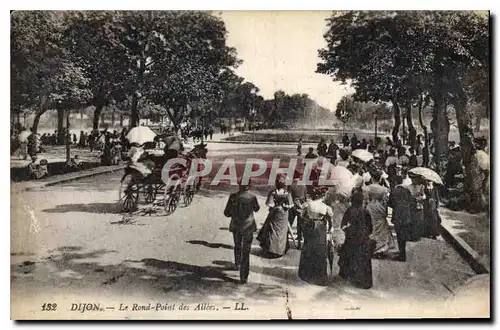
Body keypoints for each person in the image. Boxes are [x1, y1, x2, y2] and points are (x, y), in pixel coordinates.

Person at [223, 179, 260, 284]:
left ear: (239, 185)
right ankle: (244, 277)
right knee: (246, 250)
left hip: (236, 226)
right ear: (249, 186)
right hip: (248, 226)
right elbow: (257, 209)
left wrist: (234, 213)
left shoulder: (233, 197)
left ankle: (237, 263)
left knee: (237, 244)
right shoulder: (252, 197)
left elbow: (226, 213)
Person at [338, 188, 374, 289]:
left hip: (352, 235)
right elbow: (370, 227)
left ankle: (347, 273)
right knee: (363, 258)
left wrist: (347, 231)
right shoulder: (365, 212)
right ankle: (363, 280)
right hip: (363, 236)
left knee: (348, 254)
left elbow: (343, 224)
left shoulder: (349, 211)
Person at [298, 192, 334, 286]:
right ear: (323, 196)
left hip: (309, 226)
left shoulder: (307, 204)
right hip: (320, 228)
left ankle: (306, 274)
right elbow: (330, 220)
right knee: (320, 250)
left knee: (308, 248)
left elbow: (302, 215)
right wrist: (330, 230)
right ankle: (318, 275)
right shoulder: (325, 207)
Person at [257, 174, 293, 257]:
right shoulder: (287, 193)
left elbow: (269, 204)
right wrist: (285, 206)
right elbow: (291, 205)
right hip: (283, 214)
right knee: (282, 232)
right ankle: (280, 250)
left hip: (275, 212)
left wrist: (276, 205)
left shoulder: (273, 192)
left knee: (272, 230)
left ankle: (271, 249)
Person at [365, 172, 391, 258]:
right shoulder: (383, 189)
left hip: (371, 206)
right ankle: (380, 248)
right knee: (381, 228)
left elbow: (365, 199)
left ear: (372, 179)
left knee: (371, 227)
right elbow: (385, 201)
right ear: (380, 179)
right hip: (379, 207)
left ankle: (370, 247)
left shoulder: (367, 188)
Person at [389, 178, 413, 262]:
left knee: (399, 235)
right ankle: (402, 252)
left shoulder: (394, 191)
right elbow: (411, 202)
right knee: (403, 235)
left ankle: (402, 255)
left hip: (397, 215)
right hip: (406, 215)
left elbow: (390, 203)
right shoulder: (407, 191)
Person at [289, 172, 307, 249]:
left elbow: (289, 196)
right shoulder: (304, 186)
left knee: (289, 223)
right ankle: (299, 242)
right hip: (301, 207)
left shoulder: (291, 185)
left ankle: (285, 241)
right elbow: (305, 197)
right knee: (300, 226)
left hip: (293, 206)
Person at [407, 173, 426, 240]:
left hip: (419, 205)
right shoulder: (409, 187)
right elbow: (408, 196)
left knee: (418, 220)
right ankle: (412, 236)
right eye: (412, 179)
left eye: (415, 179)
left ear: (418, 179)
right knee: (412, 220)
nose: (413, 180)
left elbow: (424, 196)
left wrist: (421, 197)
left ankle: (417, 236)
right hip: (411, 205)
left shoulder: (421, 186)